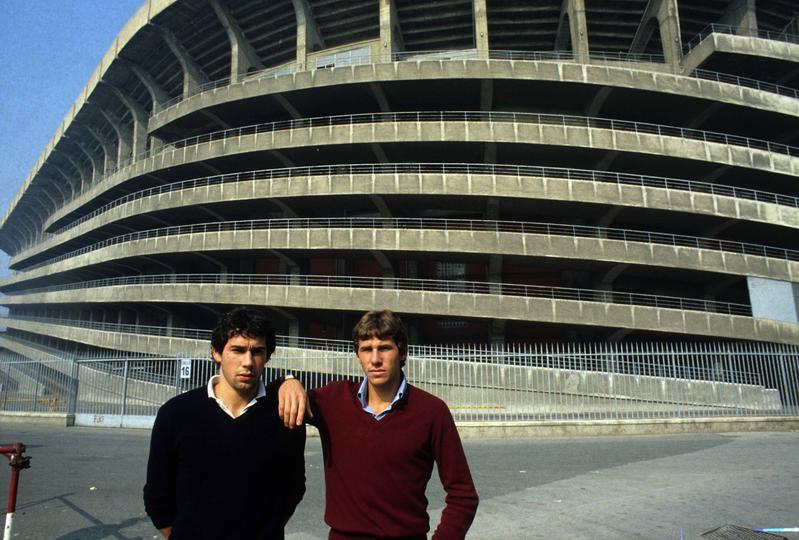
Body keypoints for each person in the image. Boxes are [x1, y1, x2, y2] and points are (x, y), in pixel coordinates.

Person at [278, 309, 478, 539]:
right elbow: (268, 399)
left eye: (384, 348)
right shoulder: (334, 400)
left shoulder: (432, 411)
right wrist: (288, 380)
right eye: (366, 349)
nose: (375, 359)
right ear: (358, 355)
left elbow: (463, 496)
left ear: (402, 352)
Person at [143, 307, 305, 539]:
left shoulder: (284, 414)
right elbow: (157, 494)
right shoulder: (175, 413)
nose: (248, 362)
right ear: (216, 353)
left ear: (267, 357)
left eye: (257, 351)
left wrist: (266, 528)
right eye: (237, 350)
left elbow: (294, 486)